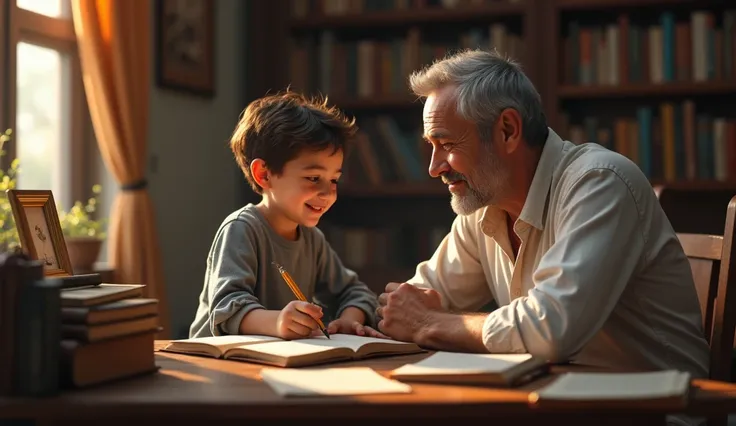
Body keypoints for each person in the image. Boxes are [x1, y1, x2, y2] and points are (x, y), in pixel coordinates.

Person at [376, 49, 710, 380]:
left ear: (507, 130)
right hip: (559, 401)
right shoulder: (483, 206)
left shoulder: (600, 183)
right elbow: (415, 300)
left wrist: (428, 323)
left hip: (660, 410)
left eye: (446, 144)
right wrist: (364, 317)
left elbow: (551, 329)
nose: (434, 168)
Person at [189, 91, 383, 340]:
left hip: (273, 362)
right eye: (314, 178)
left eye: (334, 179)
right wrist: (278, 321)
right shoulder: (242, 229)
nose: (328, 193)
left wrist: (348, 320)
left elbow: (355, 292)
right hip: (217, 364)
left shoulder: (312, 239)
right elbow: (227, 307)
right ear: (264, 174)